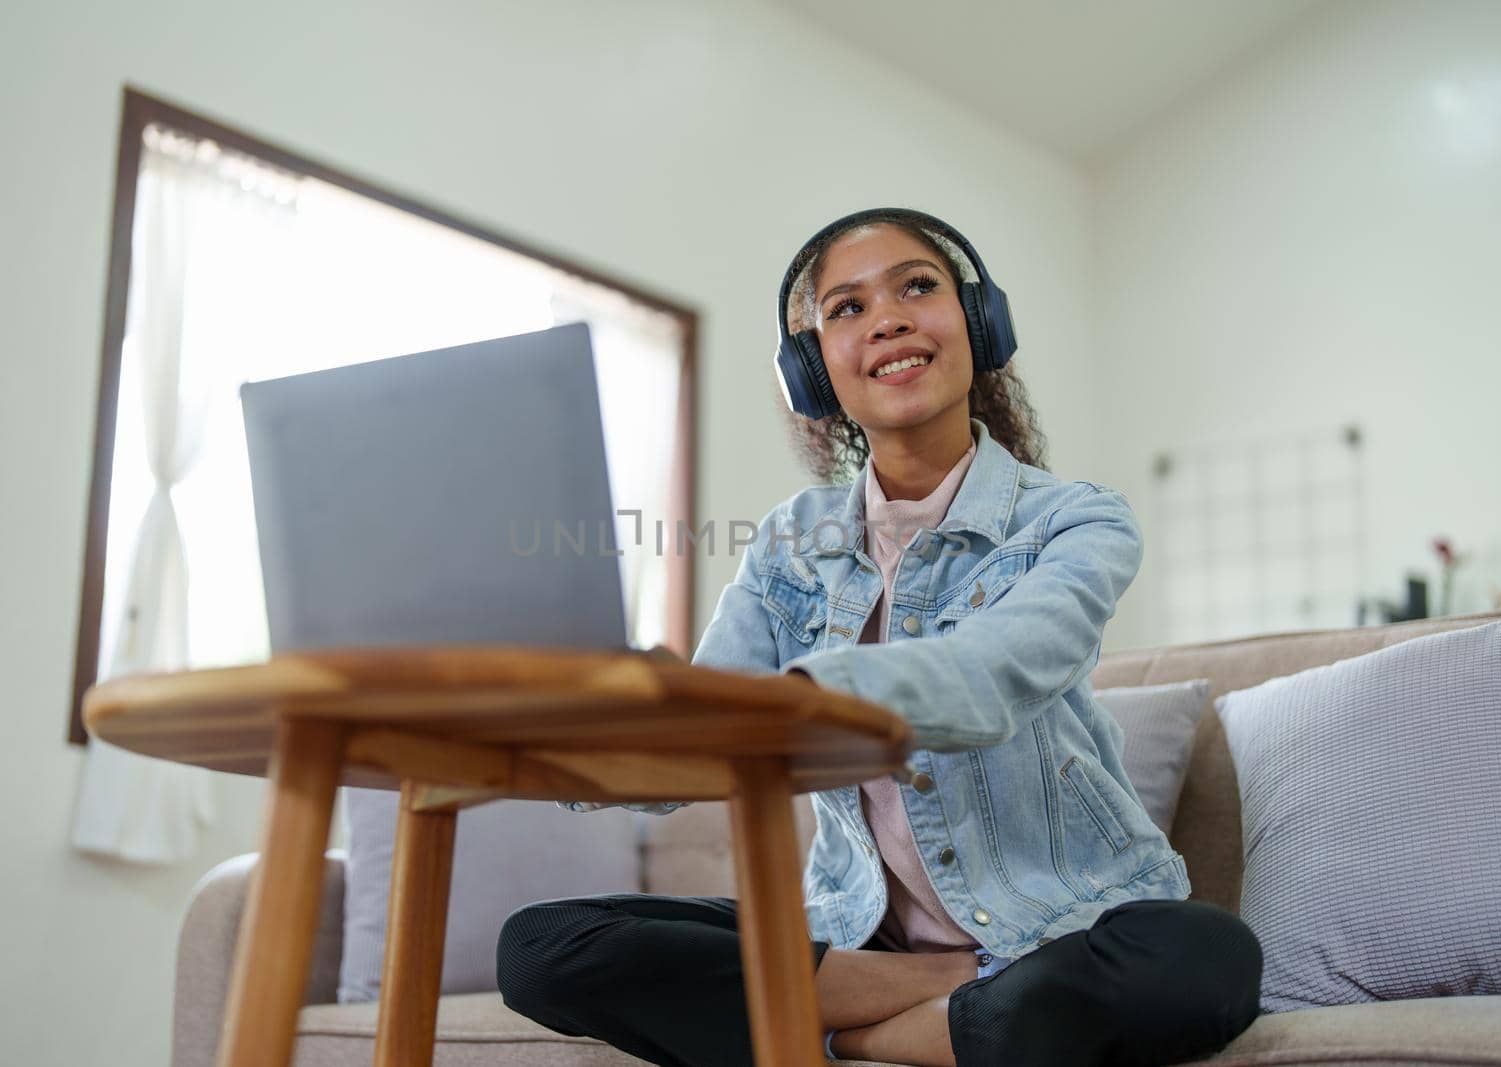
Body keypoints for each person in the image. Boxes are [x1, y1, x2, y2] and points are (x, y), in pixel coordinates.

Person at [497, 208, 1262, 1067]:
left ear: (978, 323)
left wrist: (801, 700)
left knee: (1207, 962)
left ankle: (836, 1030)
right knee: (541, 945)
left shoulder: (1076, 520)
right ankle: (957, 998)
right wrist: (589, 715)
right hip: (859, 937)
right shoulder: (791, 543)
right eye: (847, 308)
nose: (888, 318)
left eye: (917, 287)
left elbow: (991, 672)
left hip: (1064, 925)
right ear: (814, 371)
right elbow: (699, 750)